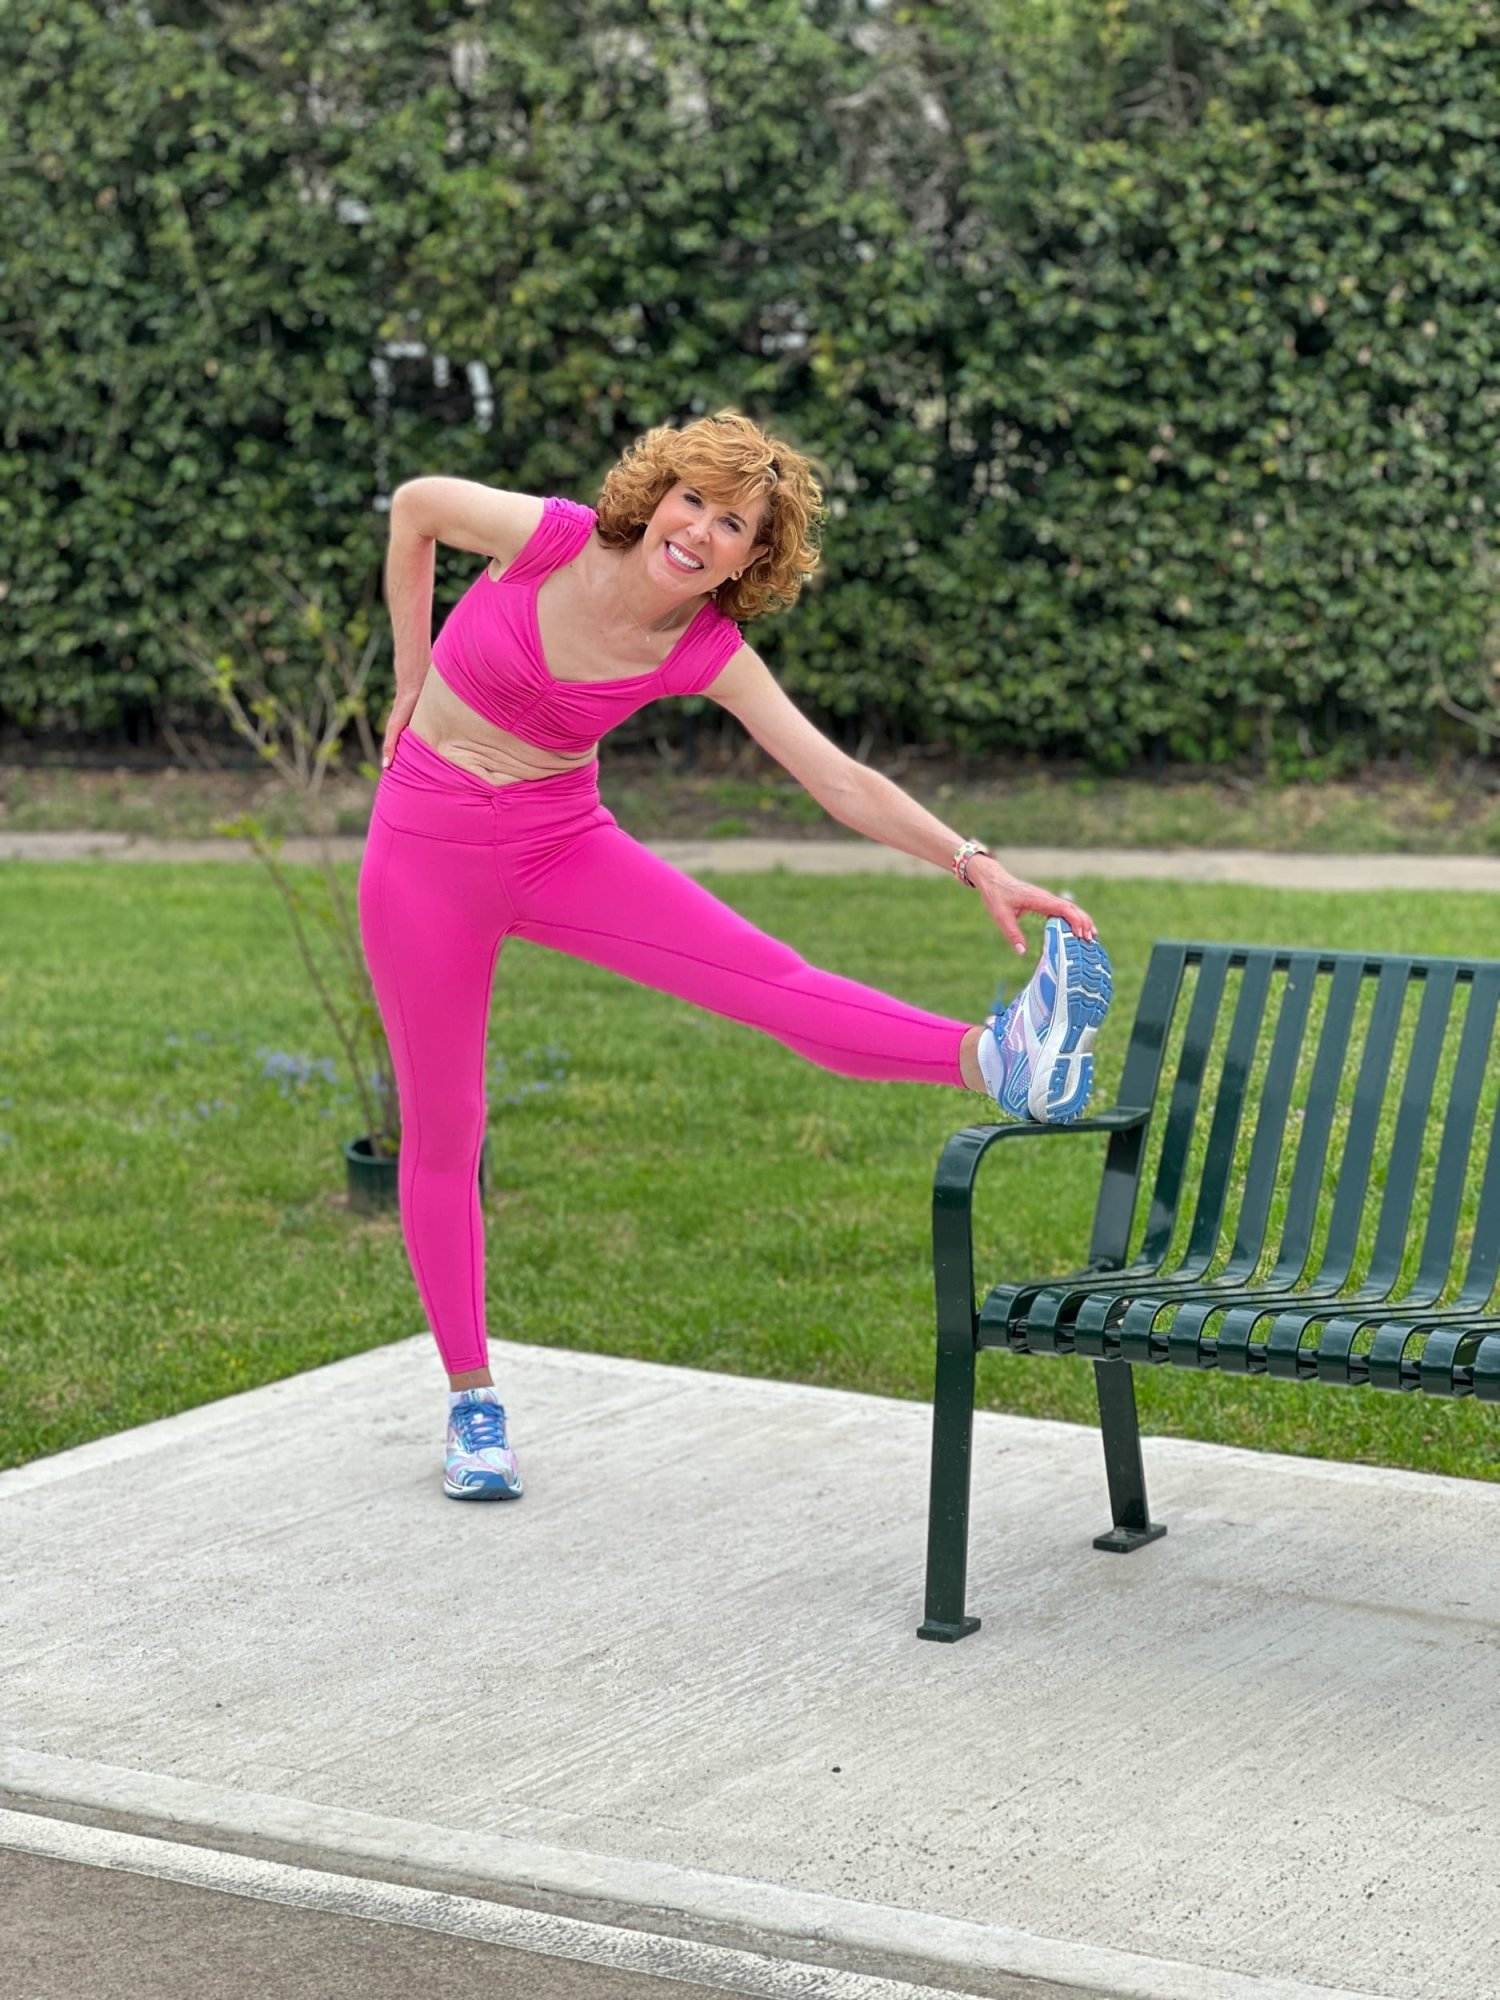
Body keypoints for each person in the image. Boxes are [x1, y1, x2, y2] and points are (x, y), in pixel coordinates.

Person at [359, 408, 1113, 1502]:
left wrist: (975, 862)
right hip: (422, 851)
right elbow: (417, 505)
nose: (700, 531)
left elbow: (839, 779)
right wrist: (408, 671)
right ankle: (473, 1399)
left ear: (755, 557)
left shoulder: (705, 646)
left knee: (774, 981)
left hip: (559, 842)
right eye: (693, 501)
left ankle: (999, 1059)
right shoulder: (558, 538)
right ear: (657, 493)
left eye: (734, 525)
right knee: (446, 1126)